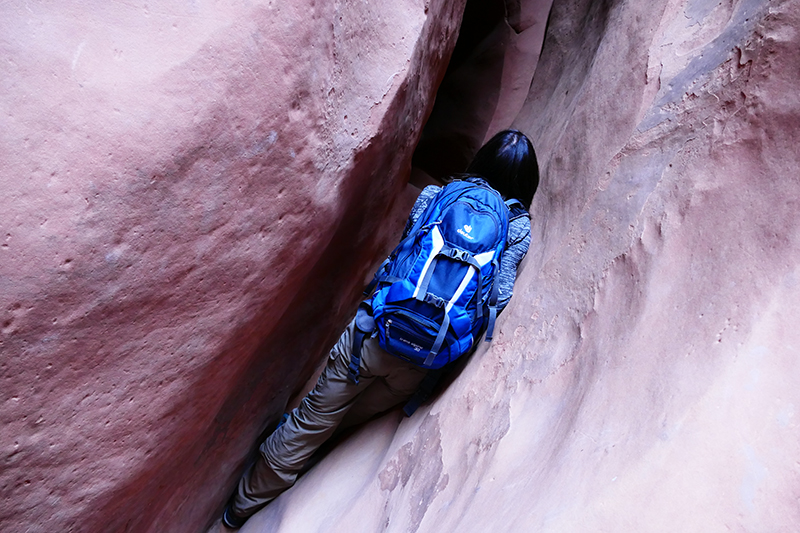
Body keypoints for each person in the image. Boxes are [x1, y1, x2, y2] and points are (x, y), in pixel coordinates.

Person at [221, 129, 539, 529]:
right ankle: (305, 484)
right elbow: (499, 297)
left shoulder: (441, 195)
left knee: (310, 423)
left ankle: (238, 512)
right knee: (345, 429)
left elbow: (404, 253)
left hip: (372, 335)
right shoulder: (518, 227)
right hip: (423, 360)